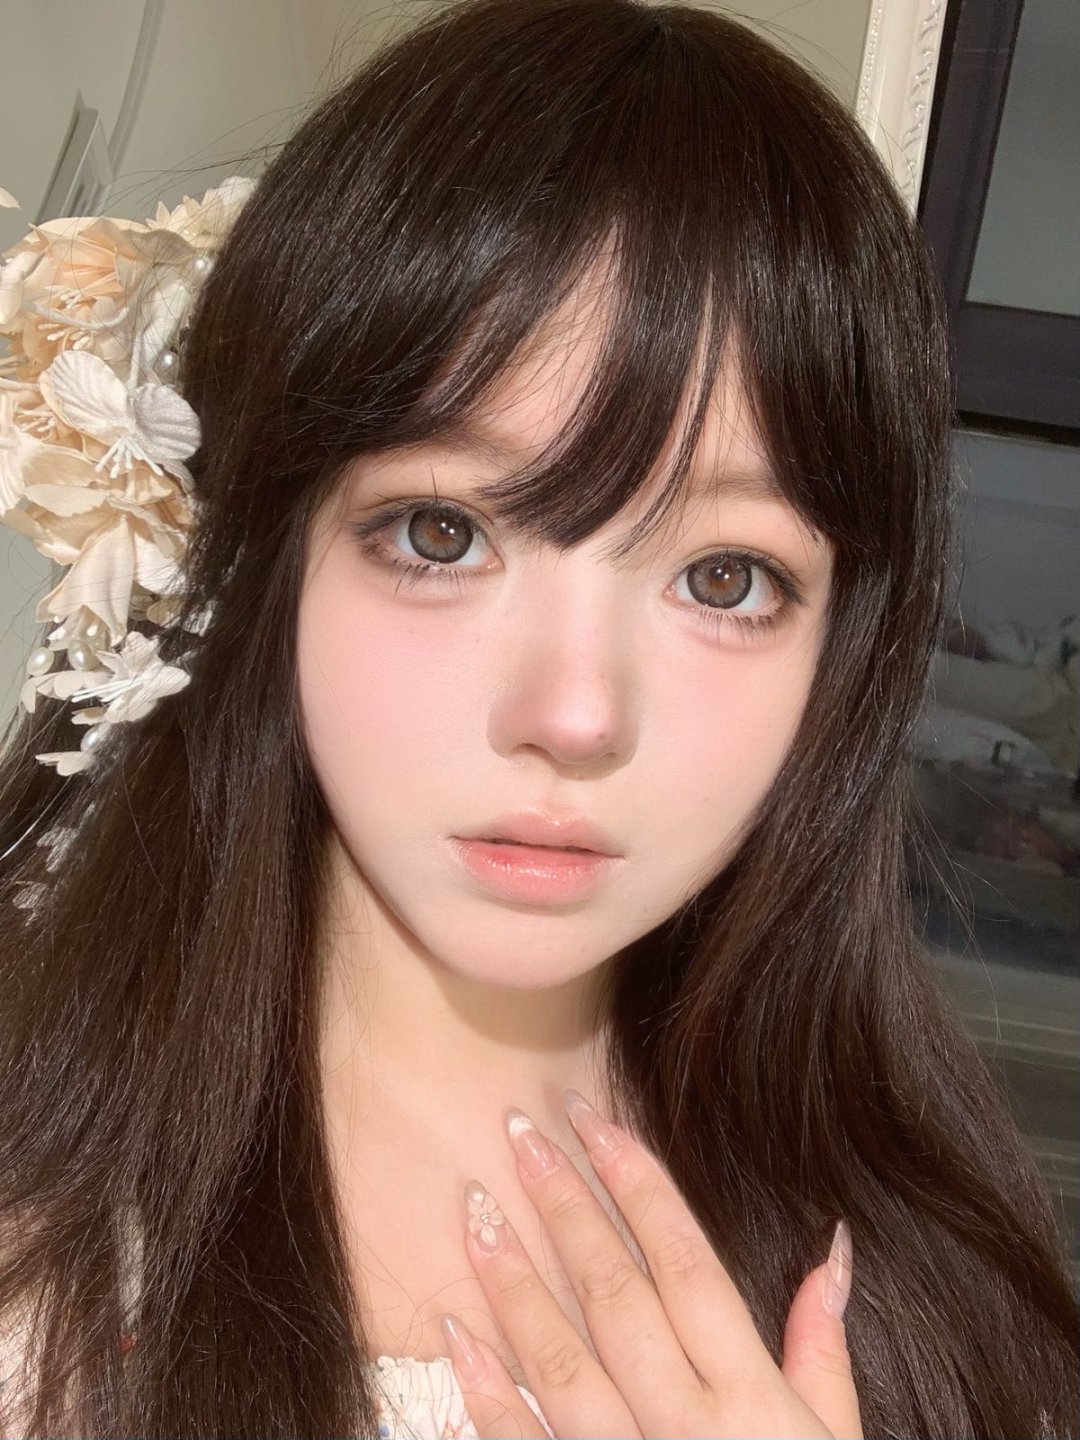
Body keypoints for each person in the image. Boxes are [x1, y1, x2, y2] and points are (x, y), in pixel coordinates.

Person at [0, 0, 1076, 1435]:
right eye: (440, 534)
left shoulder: (942, 1285)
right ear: (264, 552)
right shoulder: (36, 1275)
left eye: (726, 577)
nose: (574, 715)